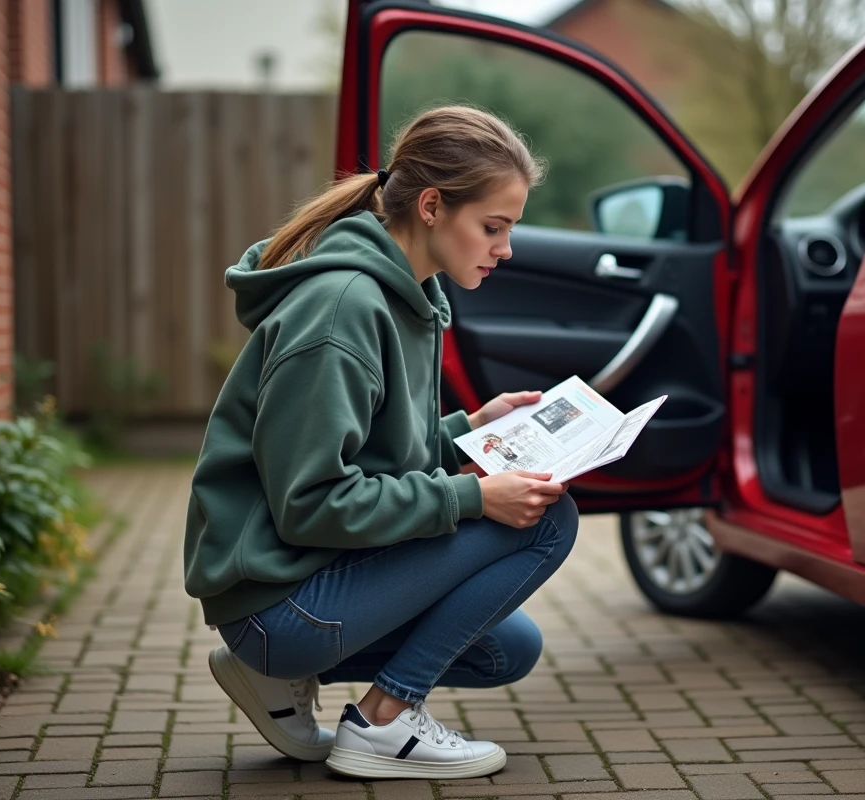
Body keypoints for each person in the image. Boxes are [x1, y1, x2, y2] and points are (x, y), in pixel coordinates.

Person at [182, 105, 578, 781]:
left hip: (305, 576)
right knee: (547, 523)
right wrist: (472, 498)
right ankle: (383, 724)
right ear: (431, 206)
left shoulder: (411, 297)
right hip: (280, 596)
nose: (505, 248)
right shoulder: (341, 311)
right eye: (493, 227)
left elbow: (374, 453)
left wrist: (469, 428)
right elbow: (312, 502)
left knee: (506, 649)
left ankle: (273, 674)